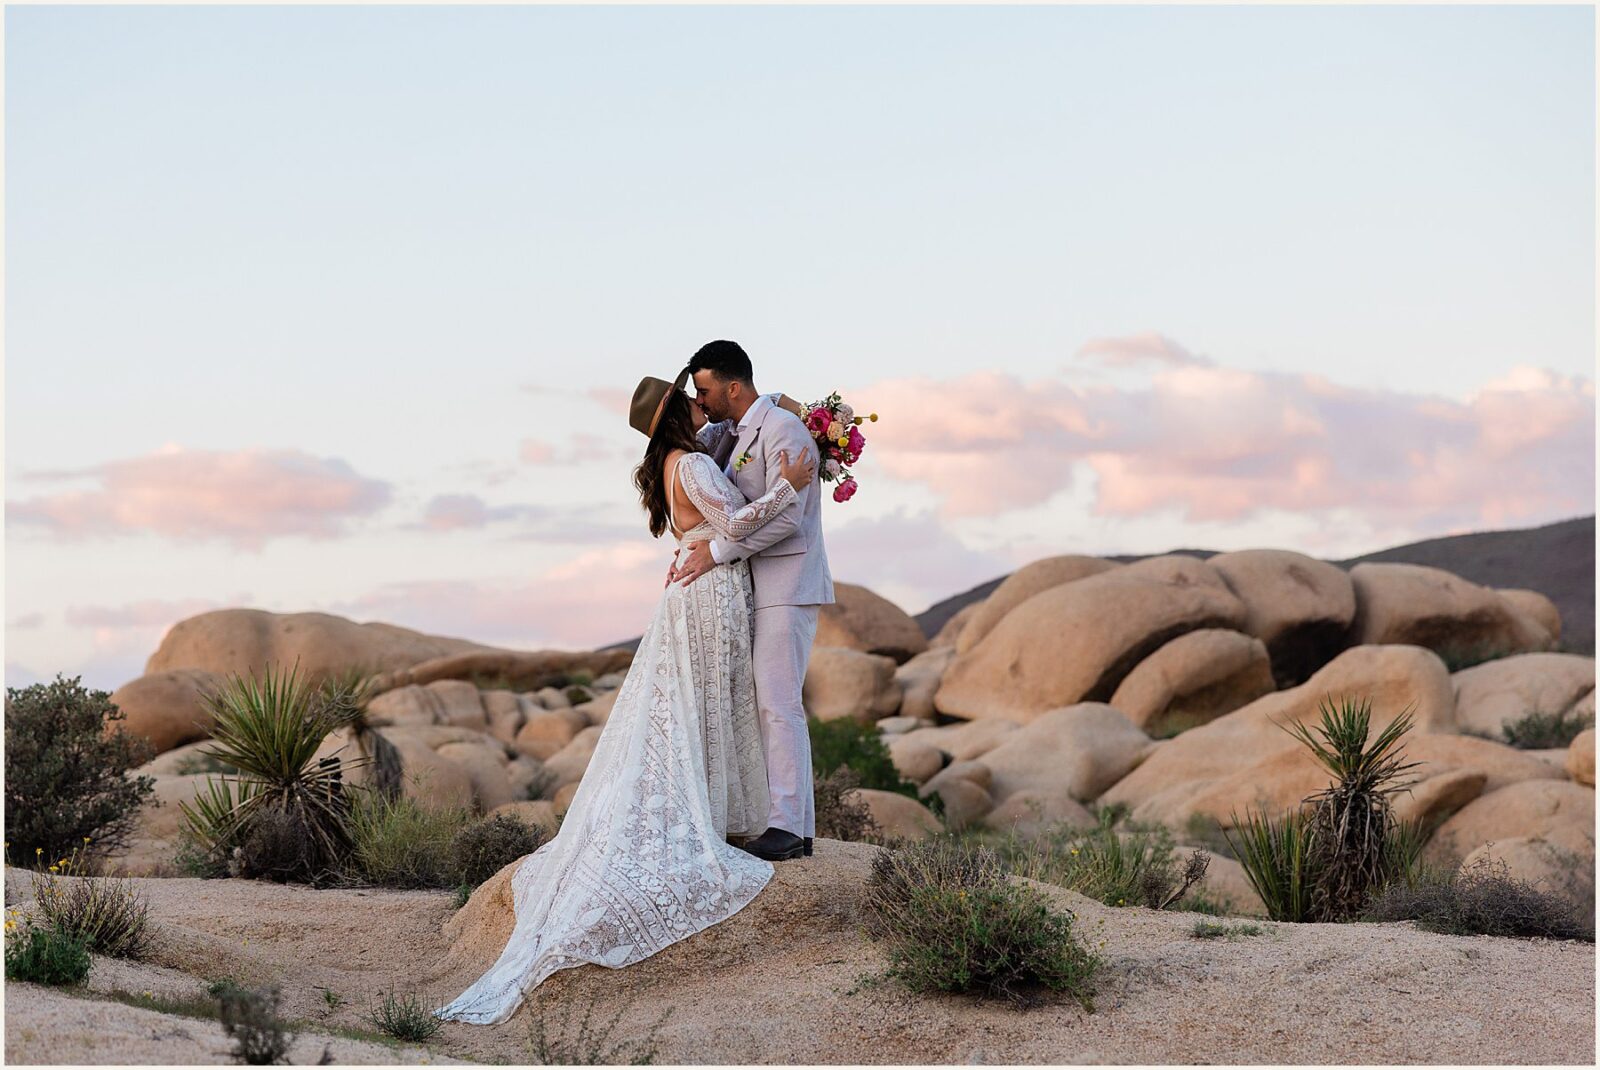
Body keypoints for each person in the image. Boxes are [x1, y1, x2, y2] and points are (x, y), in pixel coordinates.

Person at [433, 368, 816, 1025]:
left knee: (698, 709)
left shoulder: (678, 462)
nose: (702, 407)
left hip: (698, 591)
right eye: (691, 401)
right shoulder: (692, 466)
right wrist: (791, 486)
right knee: (704, 706)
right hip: (709, 596)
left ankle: (718, 809)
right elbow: (741, 521)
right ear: (675, 416)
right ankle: (711, 818)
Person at [671, 339, 836, 862]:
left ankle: (787, 827)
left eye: (705, 389)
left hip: (788, 584)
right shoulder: (736, 432)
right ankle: (797, 827)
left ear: (733, 387)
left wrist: (716, 552)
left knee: (778, 704)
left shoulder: (783, 433)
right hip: (766, 587)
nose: (701, 400)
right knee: (776, 703)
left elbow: (785, 519)